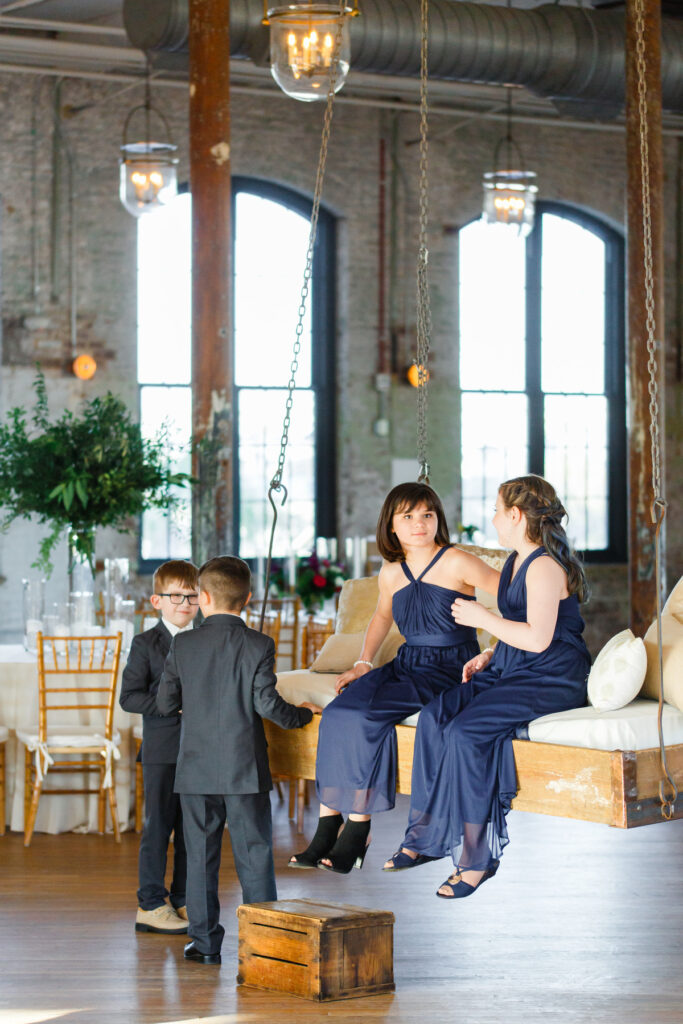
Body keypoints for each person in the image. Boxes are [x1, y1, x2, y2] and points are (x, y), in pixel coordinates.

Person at [385, 474, 591, 900]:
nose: (493, 518)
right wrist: (492, 652)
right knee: (436, 715)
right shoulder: (516, 560)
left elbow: (538, 639)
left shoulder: (547, 567)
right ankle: (424, 836)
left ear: (515, 515)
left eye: (497, 510)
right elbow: (522, 628)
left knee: (466, 732)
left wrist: (483, 621)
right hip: (515, 665)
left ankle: (477, 859)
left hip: (551, 676)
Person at [289, 482, 500, 875]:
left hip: (449, 665)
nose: (419, 524)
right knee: (337, 713)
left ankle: (358, 829)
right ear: (391, 526)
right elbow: (383, 617)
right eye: (408, 516)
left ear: (438, 519)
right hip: (408, 661)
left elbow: (512, 594)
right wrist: (364, 662)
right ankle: (326, 825)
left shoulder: (457, 560)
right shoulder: (391, 571)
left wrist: (494, 648)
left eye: (427, 515)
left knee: (369, 719)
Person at [156, 555, 321, 965]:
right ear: (247, 599)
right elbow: (268, 705)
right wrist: (303, 714)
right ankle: (266, 945)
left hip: (194, 769)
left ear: (204, 597)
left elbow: (164, 702)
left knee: (199, 857)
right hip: (244, 767)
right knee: (256, 855)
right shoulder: (259, 644)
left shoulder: (183, 643)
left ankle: (205, 944)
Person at [119, 558, 200, 935]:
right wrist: (172, 706)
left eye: (193, 596)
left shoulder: (203, 641)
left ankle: (182, 896)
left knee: (190, 828)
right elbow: (130, 697)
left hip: (200, 750)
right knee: (158, 828)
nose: (185, 603)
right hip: (162, 751)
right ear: (157, 601)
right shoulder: (145, 644)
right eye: (176, 596)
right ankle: (150, 903)